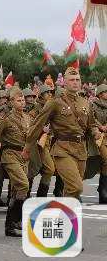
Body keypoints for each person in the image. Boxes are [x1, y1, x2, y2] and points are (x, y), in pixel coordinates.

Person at [24, 67, 100, 199]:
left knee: (72, 191)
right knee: (76, 187)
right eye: (71, 80)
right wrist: (28, 147)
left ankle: (64, 216)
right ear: (64, 82)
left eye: (77, 80)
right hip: (62, 149)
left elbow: (91, 123)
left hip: (81, 150)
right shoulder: (55, 102)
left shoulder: (85, 102)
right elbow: (38, 125)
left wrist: (95, 131)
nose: (75, 82)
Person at [0, 88, 29, 237]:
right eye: (18, 100)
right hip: (10, 154)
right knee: (23, 184)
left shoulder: (28, 118)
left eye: (23, 100)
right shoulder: (6, 119)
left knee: (17, 190)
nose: (22, 103)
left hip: (23, 155)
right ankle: (15, 219)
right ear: (11, 102)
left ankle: (9, 225)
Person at [91, 84, 107, 203]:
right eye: (105, 92)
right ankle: (103, 190)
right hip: (99, 137)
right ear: (100, 94)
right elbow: (91, 119)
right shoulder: (93, 105)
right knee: (105, 160)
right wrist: (100, 126)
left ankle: (102, 188)